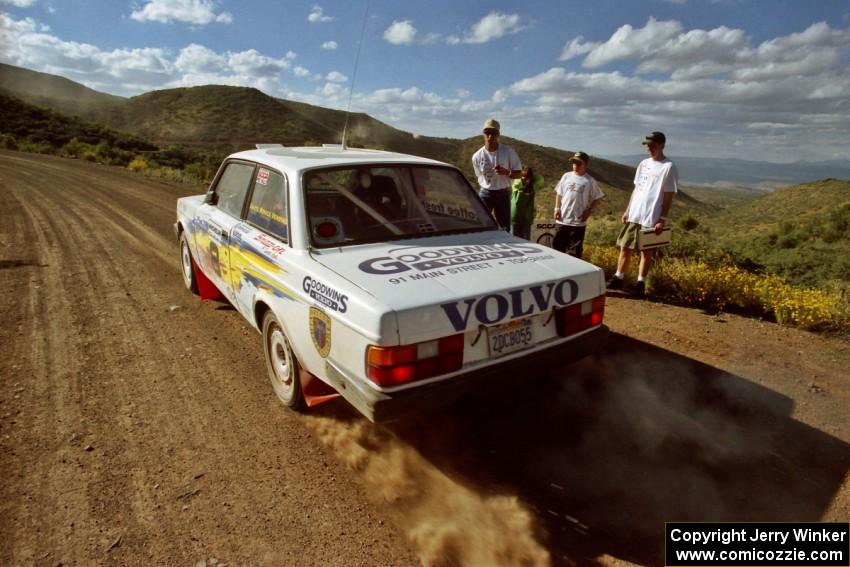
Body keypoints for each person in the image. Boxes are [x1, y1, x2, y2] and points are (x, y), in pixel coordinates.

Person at [607, 131, 678, 297]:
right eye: (647, 145)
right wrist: (627, 210)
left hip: (651, 216)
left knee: (646, 251)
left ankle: (640, 284)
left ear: (661, 145)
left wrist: (662, 218)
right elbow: (636, 189)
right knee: (625, 247)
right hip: (635, 214)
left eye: (652, 145)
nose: (649, 148)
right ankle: (619, 277)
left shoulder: (669, 167)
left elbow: (669, 195)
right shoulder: (643, 164)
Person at [472, 118, 522, 230]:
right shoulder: (476, 156)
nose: (490, 136)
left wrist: (507, 172)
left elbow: (519, 174)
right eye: (487, 133)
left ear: (498, 134)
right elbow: (479, 176)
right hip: (485, 194)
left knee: (504, 229)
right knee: (480, 226)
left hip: (503, 194)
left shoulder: (508, 152)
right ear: (483, 134)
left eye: (493, 133)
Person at [552, 151, 604, 259]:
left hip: (577, 223)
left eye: (579, 163)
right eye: (574, 162)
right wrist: (557, 208)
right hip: (562, 219)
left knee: (574, 253)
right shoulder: (566, 176)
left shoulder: (589, 180)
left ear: (585, 165)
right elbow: (559, 194)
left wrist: (589, 211)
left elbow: (598, 197)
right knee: (557, 249)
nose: (575, 165)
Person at [510, 166, 544, 239]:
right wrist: (521, 175)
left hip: (526, 219)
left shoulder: (533, 187)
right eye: (524, 177)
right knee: (513, 241)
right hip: (514, 219)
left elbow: (540, 179)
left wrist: (531, 175)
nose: (526, 180)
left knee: (526, 241)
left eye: (528, 178)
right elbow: (517, 182)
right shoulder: (516, 185)